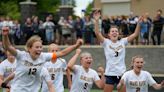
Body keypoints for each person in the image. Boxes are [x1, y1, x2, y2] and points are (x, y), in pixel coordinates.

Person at [1, 26, 83, 92]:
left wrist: (76, 46)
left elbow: (62, 53)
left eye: (41, 47)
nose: (39, 49)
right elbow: (8, 46)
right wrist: (5, 35)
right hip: (18, 90)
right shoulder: (21, 56)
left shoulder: (43, 57)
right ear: (29, 48)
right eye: (37, 47)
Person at [93, 10, 142, 92]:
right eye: (112, 31)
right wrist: (97, 20)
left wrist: (139, 24)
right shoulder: (106, 42)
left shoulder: (123, 41)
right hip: (110, 74)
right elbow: (97, 33)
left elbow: (135, 34)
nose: (114, 33)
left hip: (121, 74)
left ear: (118, 34)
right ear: (109, 34)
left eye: (116, 31)